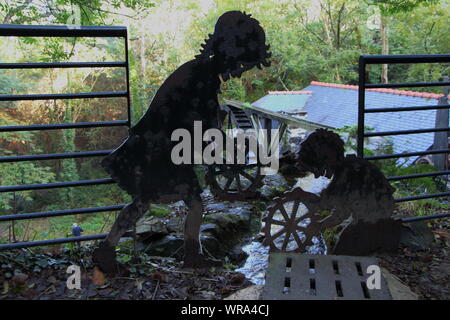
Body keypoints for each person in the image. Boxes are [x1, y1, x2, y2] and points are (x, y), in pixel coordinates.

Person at [92, 11, 271, 272]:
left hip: (160, 147)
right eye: (242, 65)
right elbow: (199, 122)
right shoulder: (202, 77)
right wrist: (216, 137)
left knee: (149, 202)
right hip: (159, 151)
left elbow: (198, 121)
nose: (240, 72)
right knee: (184, 203)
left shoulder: (200, 72)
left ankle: (108, 250)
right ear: (232, 54)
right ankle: (188, 257)